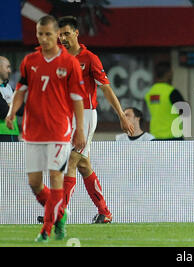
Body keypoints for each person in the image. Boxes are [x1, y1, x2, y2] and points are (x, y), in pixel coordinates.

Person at [5, 15, 86, 242]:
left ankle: (47, 229)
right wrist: (12, 112)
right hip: (33, 130)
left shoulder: (69, 63)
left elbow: (77, 99)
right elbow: (21, 89)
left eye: (48, 34)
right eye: (40, 34)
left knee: (55, 178)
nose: (44, 38)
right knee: (34, 183)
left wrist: (80, 129)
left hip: (59, 131)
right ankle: (60, 214)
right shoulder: (29, 61)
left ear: (57, 35)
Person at [57, 16, 134, 224]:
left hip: (87, 115)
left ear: (76, 33)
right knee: (83, 165)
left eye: (66, 33)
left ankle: (59, 212)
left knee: (70, 161)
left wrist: (122, 117)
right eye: (60, 34)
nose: (62, 38)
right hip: (66, 117)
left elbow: (106, 89)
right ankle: (105, 212)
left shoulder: (90, 58)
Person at [145, 62, 185, 140]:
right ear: (168, 73)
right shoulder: (171, 92)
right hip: (172, 136)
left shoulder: (149, 93)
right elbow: (185, 111)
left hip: (155, 136)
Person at [0, 56, 24, 141]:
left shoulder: (10, 88)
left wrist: (8, 104)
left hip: (13, 134)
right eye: (7, 67)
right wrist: (13, 104)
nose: (9, 70)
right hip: (1, 135)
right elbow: (3, 112)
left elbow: (22, 110)